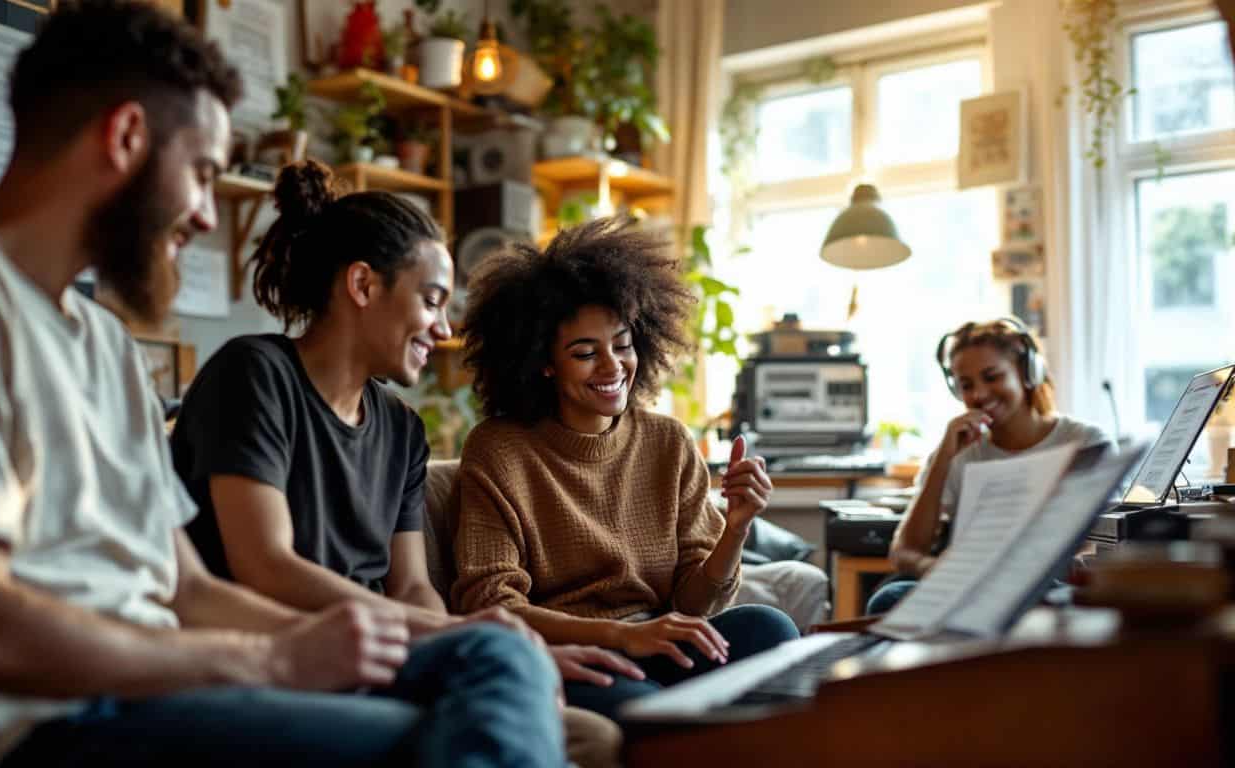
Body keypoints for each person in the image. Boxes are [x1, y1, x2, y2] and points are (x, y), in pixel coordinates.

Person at [0, 4, 561, 766]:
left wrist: (361, 637)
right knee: (444, 738)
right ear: (126, 137)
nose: (209, 216)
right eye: (204, 173)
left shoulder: (105, 344)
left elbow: (189, 591)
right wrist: (271, 662)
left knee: (499, 657)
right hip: (53, 721)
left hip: (167, 687)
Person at [169, 162, 624, 766]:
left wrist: (444, 644)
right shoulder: (254, 376)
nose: (443, 326)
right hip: (282, 647)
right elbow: (266, 567)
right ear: (363, 285)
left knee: (591, 733)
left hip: (377, 651)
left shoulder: (402, 429)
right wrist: (451, 638)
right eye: (431, 300)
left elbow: (411, 585)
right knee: (509, 670)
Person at [450, 217, 800, 719]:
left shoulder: (667, 441)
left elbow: (695, 603)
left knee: (771, 630)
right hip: (580, 652)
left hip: (659, 640)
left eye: (622, 344)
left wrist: (737, 528)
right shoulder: (499, 449)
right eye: (584, 353)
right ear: (544, 362)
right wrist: (624, 635)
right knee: (650, 708)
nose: (613, 367)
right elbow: (493, 604)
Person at [870, 318, 1113, 615]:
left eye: (992, 376)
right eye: (966, 385)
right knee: (890, 598)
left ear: (1027, 374)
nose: (980, 394)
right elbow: (904, 552)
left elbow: (1102, 543)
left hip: (1048, 586)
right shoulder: (958, 452)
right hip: (970, 589)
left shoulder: (1085, 442)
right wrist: (943, 460)